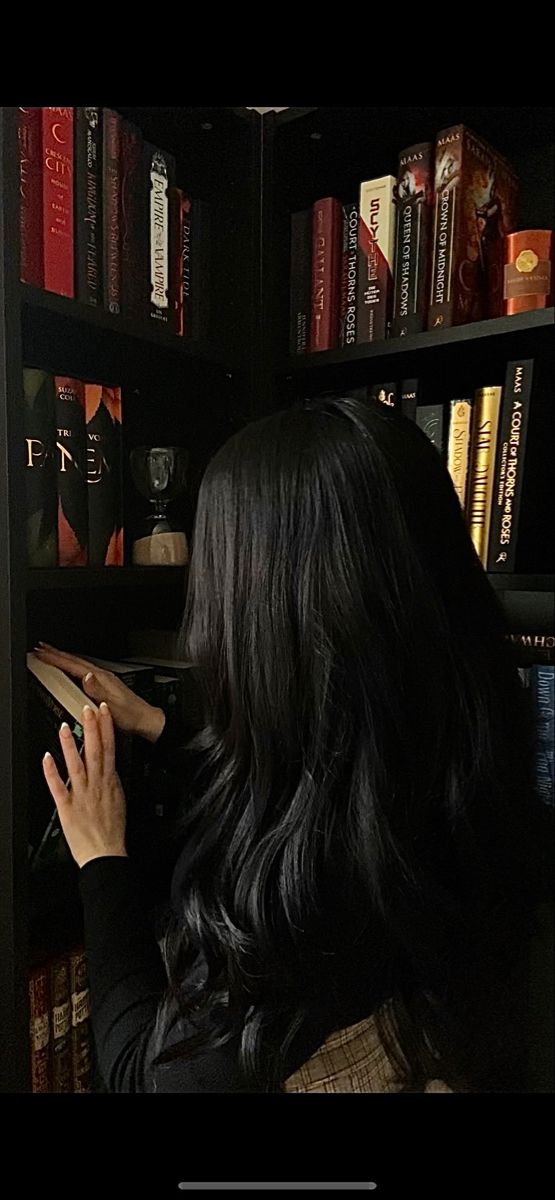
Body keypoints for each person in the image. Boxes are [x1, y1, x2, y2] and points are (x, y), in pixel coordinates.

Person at [38, 395, 549, 1094]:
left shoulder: (306, 920)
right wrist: (166, 729)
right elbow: (321, 770)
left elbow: (139, 1076)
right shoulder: (453, 786)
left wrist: (102, 859)